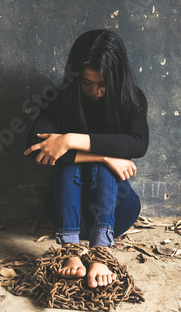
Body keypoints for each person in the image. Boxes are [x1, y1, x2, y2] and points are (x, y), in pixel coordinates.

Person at [24, 29, 148, 289]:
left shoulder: (132, 97)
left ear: (116, 78)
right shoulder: (60, 98)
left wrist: (69, 139)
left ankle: (101, 252)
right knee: (69, 164)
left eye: (103, 84)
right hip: (68, 215)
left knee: (98, 167)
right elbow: (35, 148)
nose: (95, 91)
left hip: (116, 213)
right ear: (75, 77)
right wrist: (105, 155)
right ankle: (70, 250)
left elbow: (138, 143)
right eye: (86, 82)